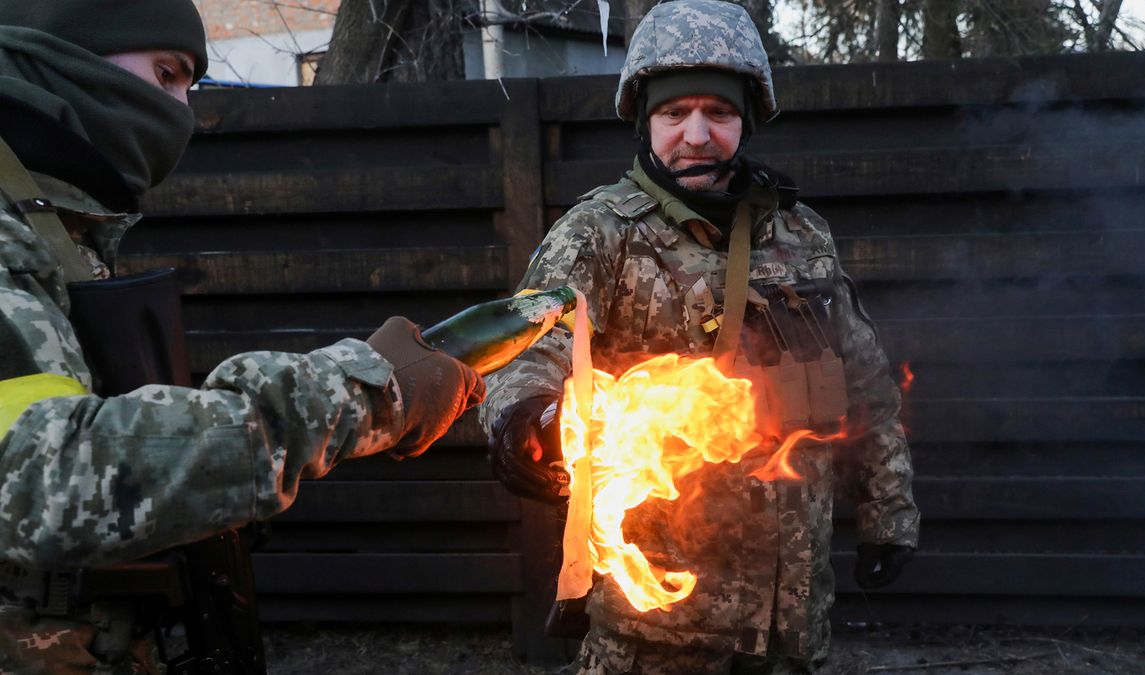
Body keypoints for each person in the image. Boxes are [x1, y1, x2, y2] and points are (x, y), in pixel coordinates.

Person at [0, 0, 484, 671]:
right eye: (166, 75)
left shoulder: (48, 227)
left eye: (189, 89)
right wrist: (365, 389)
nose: (181, 115)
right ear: (64, 48)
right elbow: (39, 478)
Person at [481, 0, 919, 671]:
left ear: (745, 120)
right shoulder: (600, 236)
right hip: (656, 633)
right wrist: (528, 420)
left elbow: (864, 384)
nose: (696, 134)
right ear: (642, 120)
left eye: (717, 113)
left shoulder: (801, 236)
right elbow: (528, 351)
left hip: (790, 624)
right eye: (673, 113)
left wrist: (889, 511)